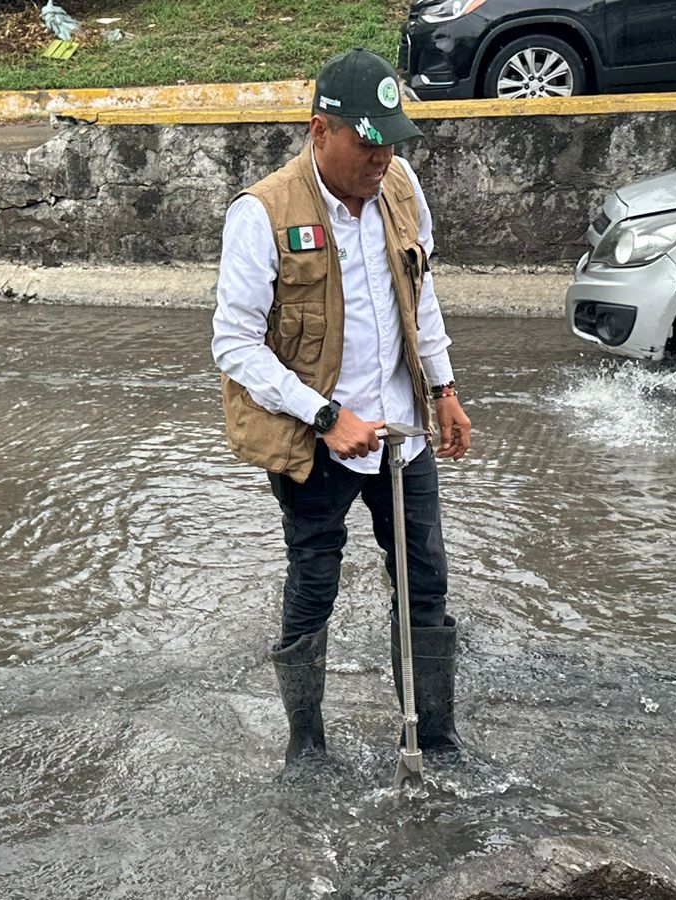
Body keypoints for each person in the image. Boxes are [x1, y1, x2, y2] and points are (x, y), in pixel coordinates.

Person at [211, 48, 472, 766]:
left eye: (391, 141)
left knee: (424, 582)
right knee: (314, 578)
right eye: (367, 142)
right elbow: (233, 345)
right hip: (317, 442)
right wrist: (326, 418)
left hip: (404, 435)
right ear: (319, 129)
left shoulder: (402, 189)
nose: (381, 157)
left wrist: (444, 392)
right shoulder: (261, 212)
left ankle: (433, 737)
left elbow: (422, 297)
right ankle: (306, 743)